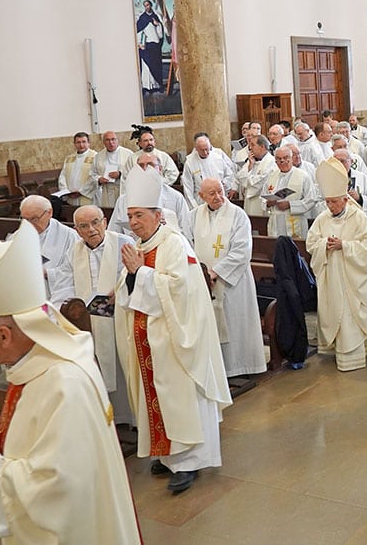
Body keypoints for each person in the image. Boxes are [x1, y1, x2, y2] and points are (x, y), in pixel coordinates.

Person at [0, 221, 141, 542]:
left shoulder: (63, 381)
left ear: (5, 335)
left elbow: (62, 485)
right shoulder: (36, 363)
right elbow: (42, 432)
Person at [115, 165, 231, 494]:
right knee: (159, 399)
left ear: (157, 214)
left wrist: (141, 275)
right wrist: (131, 276)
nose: (133, 222)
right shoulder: (141, 245)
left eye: (139, 215)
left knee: (179, 398)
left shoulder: (174, 245)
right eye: (130, 216)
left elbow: (183, 291)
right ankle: (168, 456)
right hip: (149, 342)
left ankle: (189, 461)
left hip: (175, 341)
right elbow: (129, 285)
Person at [55, 205, 132, 425]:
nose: (91, 229)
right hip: (86, 322)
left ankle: (129, 418)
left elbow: (138, 274)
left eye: (95, 223)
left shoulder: (123, 243)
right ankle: (106, 421)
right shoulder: (73, 251)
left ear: (105, 222)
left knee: (122, 366)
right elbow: (63, 285)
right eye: (84, 226)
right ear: (77, 230)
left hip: (119, 319)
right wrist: (65, 310)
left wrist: (123, 289)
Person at [304, 157, 367, 371]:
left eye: (334, 202)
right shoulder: (322, 218)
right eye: (327, 202)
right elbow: (311, 243)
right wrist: (323, 245)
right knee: (334, 311)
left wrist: (344, 246)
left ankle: (354, 354)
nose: (330, 206)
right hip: (331, 277)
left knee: (349, 314)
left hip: (352, 278)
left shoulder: (359, 218)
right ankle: (335, 350)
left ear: (345, 199)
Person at [191, 179, 266, 378]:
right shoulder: (195, 215)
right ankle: (219, 368)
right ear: (201, 196)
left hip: (233, 282)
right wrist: (200, 273)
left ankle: (241, 367)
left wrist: (215, 273)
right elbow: (188, 244)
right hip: (205, 282)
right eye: (211, 193)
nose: (218, 197)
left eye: (220, 191)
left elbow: (242, 251)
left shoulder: (238, 215)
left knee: (235, 323)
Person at [107, 152, 192, 239]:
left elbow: (186, 232)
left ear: (160, 169)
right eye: (141, 165)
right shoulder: (123, 200)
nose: (145, 169)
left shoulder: (176, 198)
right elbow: (114, 235)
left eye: (150, 165)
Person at [18, 195, 79, 306]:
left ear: (49, 213)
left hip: (59, 298)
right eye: (24, 219)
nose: (29, 224)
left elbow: (77, 269)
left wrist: (48, 274)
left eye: (34, 219)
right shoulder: (17, 237)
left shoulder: (70, 237)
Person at [263, 146, 314, 238]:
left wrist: (290, 205)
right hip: (276, 221)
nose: (282, 161)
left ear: (291, 159)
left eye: (286, 158)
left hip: (294, 220)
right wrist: (268, 203)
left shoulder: (302, 176)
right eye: (279, 159)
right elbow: (262, 197)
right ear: (275, 161)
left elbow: (311, 199)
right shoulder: (271, 176)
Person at [181, 132, 237, 209]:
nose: (205, 152)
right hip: (200, 202)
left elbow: (229, 175)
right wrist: (195, 208)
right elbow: (188, 188)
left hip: (219, 199)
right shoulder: (190, 162)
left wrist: (224, 183)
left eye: (207, 149)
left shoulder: (218, 158)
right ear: (196, 149)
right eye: (202, 150)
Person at [235, 136, 277, 217]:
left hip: (260, 202)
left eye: (253, 145)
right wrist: (250, 166)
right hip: (248, 202)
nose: (250, 148)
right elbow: (240, 177)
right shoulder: (251, 160)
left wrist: (247, 180)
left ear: (262, 147)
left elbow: (260, 183)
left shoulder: (271, 163)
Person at [91, 131, 133, 208]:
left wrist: (120, 174)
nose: (111, 142)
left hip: (122, 189)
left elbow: (134, 171)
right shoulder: (98, 156)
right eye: (107, 140)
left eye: (113, 139)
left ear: (117, 140)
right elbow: (93, 173)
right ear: (103, 142)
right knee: (109, 213)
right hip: (106, 190)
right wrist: (99, 179)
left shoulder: (128, 154)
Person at [56, 132, 97, 206]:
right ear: (74, 144)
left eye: (84, 142)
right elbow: (63, 176)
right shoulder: (69, 158)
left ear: (89, 143)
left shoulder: (95, 157)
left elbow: (94, 177)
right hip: (71, 197)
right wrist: (66, 191)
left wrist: (81, 192)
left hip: (87, 197)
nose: (81, 145)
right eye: (78, 142)